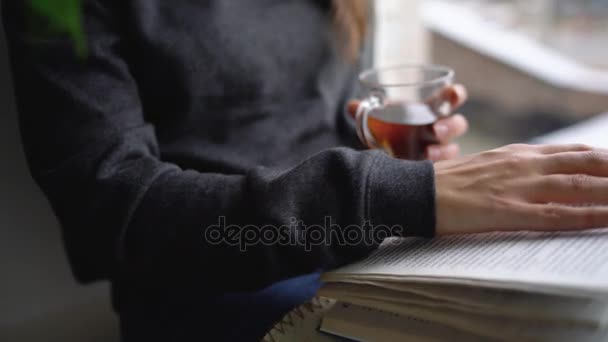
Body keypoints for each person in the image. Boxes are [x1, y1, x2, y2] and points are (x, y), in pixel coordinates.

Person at [3, 1, 608, 341]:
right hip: (215, 289)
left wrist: (382, 151)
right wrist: (385, 193)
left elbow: (301, 131)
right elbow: (117, 217)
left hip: (357, 255)